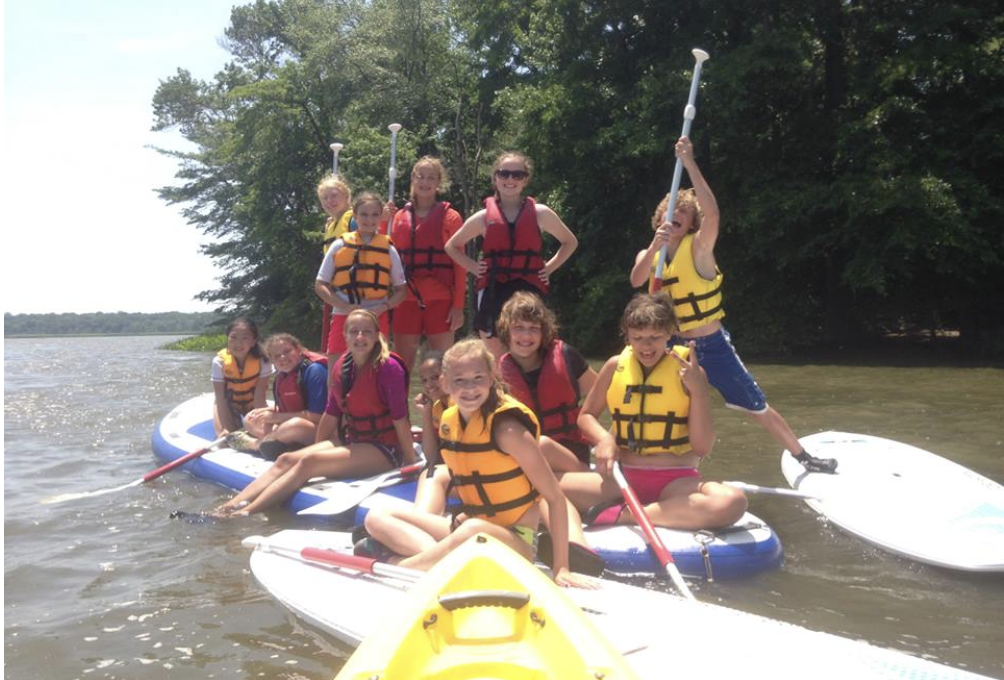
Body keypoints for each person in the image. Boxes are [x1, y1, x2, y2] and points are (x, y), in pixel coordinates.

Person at [628, 136, 837, 474]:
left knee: (755, 404)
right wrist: (654, 247)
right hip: (675, 347)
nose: (677, 215)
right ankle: (657, 463)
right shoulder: (650, 253)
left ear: (691, 222)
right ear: (660, 220)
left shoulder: (699, 247)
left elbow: (712, 212)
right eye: (671, 212)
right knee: (663, 404)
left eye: (684, 213)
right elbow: (637, 280)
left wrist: (691, 162)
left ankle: (803, 456)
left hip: (710, 344)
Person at [359, 339, 595, 588]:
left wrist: (561, 568)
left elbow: (555, 498)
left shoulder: (508, 430)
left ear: (492, 377)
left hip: (516, 542)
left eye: (478, 378)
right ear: (445, 384)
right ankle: (438, 558)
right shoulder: (450, 421)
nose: (469, 388)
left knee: (472, 530)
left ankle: (399, 565)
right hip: (467, 529)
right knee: (377, 516)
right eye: (460, 380)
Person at [560, 293, 748, 531]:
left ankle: (627, 516)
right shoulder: (613, 366)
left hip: (675, 482)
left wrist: (699, 392)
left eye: (654, 338)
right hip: (620, 479)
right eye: (637, 338)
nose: (645, 346)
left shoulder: (690, 372)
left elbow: (702, 447)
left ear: (669, 333)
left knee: (732, 501)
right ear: (627, 335)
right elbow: (585, 417)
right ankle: (643, 512)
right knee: (538, 482)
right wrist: (605, 439)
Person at [213, 309, 414, 516]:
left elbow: (400, 418)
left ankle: (244, 513)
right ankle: (229, 506)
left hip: (384, 448)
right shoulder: (342, 367)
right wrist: (318, 447)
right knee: (286, 459)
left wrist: (410, 463)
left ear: (377, 335)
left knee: (308, 463)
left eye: (367, 332)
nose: (360, 337)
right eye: (354, 332)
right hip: (351, 439)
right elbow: (331, 414)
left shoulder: (389, 368)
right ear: (345, 336)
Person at [444, 152, 578, 359]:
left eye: (517, 174)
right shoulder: (482, 218)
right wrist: (472, 267)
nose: (510, 179)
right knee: (496, 356)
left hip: (530, 287)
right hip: (493, 289)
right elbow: (452, 246)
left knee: (531, 353)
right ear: (495, 178)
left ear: (526, 179)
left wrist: (549, 268)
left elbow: (570, 242)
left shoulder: (541, 214)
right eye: (504, 174)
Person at [496, 292, 596, 473]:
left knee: (542, 445)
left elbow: (604, 394)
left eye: (533, 328)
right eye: (518, 327)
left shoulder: (566, 356)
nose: (526, 336)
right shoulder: (498, 373)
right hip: (526, 461)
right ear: (506, 330)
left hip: (571, 458)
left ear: (543, 333)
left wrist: (606, 437)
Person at [389, 157, 466, 370]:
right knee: (401, 366)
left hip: (441, 300)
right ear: (413, 180)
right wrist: (382, 223)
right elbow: (386, 254)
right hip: (406, 299)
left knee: (442, 367)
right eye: (420, 176)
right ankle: (400, 404)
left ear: (439, 182)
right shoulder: (397, 218)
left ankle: (442, 404)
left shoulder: (451, 217)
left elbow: (460, 266)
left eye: (431, 177)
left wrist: (458, 306)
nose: (425, 181)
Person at [315, 192, 407, 364]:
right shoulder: (339, 245)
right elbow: (320, 285)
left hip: (376, 315)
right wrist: (344, 306)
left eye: (374, 215)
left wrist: (384, 307)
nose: (369, 219)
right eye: (364, 214)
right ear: (355, 216)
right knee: (336, 370)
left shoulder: (388, 248)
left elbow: (402, 290)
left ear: (381, 217)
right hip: (344, 313)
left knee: (376, 368)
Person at [230, 333, 328, 459]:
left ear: (299, 350)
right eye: (276, 356)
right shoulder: (282, 376)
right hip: (298, 426)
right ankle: (282, 443)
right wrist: (268, 413)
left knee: (294, 425)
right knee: (252, 418)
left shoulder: (315, 371)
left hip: (323, 431)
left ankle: (255, 444)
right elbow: (290, 407)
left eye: (287, 351)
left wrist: (276, 417)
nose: (282, 357)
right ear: (272, 360)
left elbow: (318, 417)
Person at [410, 349, 454, 514]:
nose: (429, 385)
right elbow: (431, 457)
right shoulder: (437, 408)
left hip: (470, 474)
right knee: (429, 470)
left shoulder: (460, 404)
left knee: (430, 475)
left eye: (435, 377)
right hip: (450, 471)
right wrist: (426, 414)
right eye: (424, 380)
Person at [212, 318, 273, 436]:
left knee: (261, 433)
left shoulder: (264, 361)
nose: (238, 343)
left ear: (253, 341)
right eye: (233, 337)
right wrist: (225, 428)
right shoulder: (219, 362)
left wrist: (259, 422)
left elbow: (260, 396)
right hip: (229, 405)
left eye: (244, 338)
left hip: (253, 404)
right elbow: (221, 398)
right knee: (227, 436)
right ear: (227, 338)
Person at [317, 174, 354, 253]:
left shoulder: (355, 220)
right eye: (325, 198)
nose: (329, 201)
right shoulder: (330, 227)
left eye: (334, 195)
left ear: (346, 196)